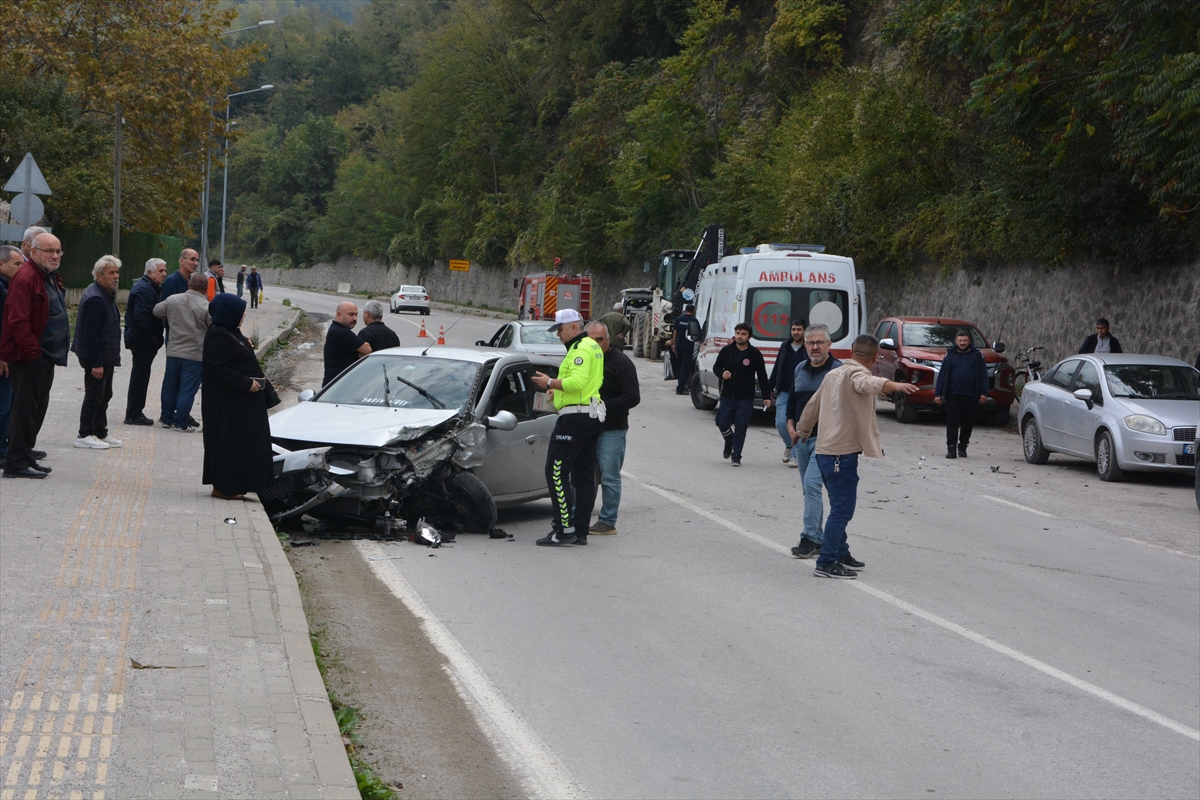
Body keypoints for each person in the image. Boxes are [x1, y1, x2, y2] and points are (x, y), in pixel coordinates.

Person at [798, 335, 918, 578]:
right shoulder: (855, 375)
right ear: (875, 357)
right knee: (842, 510)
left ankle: (841, 551)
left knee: (837, 507)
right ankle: (826, 561)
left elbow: (813, 405)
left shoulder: (832, 374)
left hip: (825, 452)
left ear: (852, 350)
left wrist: (802, 430)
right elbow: (867, 383)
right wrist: (893, 385)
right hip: (840, 454)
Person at [531, 308, 605, 546]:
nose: (558, 335)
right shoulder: (594, 346)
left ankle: (563, 529)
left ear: (574, 327)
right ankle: (580, 531)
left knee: (556, 472)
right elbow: (588, 384)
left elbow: (578, 382)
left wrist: (549, 382)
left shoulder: (580, 349)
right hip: (590, 416)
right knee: (583, 477)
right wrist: (558, 390)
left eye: (560, 329)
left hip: (575, 419)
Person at [1, 232, 69, 478]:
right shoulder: (26, 277)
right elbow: (18, 321)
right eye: (49, 251)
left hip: (45, 356)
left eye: (58, 251)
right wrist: (32, 353)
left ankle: (26, 455)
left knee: (37, 409)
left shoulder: (47, 276)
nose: (55, 255)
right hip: (31, 357)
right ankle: (15, 463)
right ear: (34, 252)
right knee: (24, 410)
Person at [202, 294, 274, 500]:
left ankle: (238, 485)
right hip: (227, 404)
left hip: (239, 403)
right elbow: (217, 367)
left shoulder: (229, 331)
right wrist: (245, 383)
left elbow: (234, 354)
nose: (242, 316)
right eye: (239, 312)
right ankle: (224, 488)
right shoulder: (217, 334)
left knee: (241, 445)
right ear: (228, 312)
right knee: (228, 445)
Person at [786, 323, 841, 559]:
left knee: (811, 485)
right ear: (805, 345)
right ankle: (817, 539)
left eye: (820, 342)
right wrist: (790, 424)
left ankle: (808, 538)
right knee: (809, 491)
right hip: (802, 440)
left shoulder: (837, 371)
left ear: (829, 345)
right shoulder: (800, 368)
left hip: (826, 442)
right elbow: (792, 400)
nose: (815, 347)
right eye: (811, 342)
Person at [586, 321, 640, 535]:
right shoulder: (584, 361)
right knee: (584, 476)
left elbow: (632, 397)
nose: (596, 344)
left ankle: (607, 521)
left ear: (609, 340)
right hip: (587, 429)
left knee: (609, 477)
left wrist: (603, 407)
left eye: (600, 339)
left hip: (612, 430)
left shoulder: (621, 363)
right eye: (591, 340)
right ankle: (578, 516)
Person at [70, 255, 124, 450]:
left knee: (104, 393)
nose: (116, 276)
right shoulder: (96, 298)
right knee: (94, 395)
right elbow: (90, 335)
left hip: (104, 354)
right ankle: (84, 434)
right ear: (100, 276)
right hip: (97, 356)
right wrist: (97, 363)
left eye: (117, 272)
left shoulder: (105, 294)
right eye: (111, 273)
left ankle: (100, 432)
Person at [154, 272, 210, 432]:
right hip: (195, 355)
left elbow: (156, 311)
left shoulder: (173, 300)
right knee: (187, 390)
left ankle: (166, 419)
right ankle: (180, 423)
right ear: (206, 288)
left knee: (169, 387)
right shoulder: (206, 306)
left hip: (173, 351)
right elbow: (213, 325)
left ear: (188, 284)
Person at [713, 322, 772, 466]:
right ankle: (729, 441)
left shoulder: (754, 354)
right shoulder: (727, 350)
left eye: (743, 334)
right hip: (727, 395)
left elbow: (762, 376)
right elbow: (716, 367)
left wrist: (766, 397)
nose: (740, 336)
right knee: (721, 423)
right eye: (738, 333)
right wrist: (722, 374)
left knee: (741, 426)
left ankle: (736, 456)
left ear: (749, 336)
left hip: (745, 397)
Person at [123, 258, 167, 425]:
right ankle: (133, 413)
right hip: (142, 340)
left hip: (144, 338)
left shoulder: (150, 288)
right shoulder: (144, 290)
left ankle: (135, 411)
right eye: (160, 271)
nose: (164, 274)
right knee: (140, 375)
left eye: (164, 270)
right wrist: (154, 337)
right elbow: (142, 318)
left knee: (142, 374)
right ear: (149, 272)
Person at [934, 329, 988, 458]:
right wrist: (938, 393)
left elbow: (983, 375)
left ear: (969, 341)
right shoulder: (950, 355)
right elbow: (942, 375)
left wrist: (984, 393)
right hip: (953, 395)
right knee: (952, 422)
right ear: (956, 341)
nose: (962, 343)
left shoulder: (977, 355)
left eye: (965, 340)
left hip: (971, 395)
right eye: (960, 341)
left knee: (967, 423)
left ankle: (963, 446)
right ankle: (951, 448)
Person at [0, 244, 27, 465]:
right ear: (1, 264)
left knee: (8, 405)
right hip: (3, 358)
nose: (21, 268)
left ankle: (5, 446)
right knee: (3, 406)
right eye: (17, 264)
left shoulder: (8, 286)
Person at [769, 319, 808, 467]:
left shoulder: (808, 347)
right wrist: (769, 388)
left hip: (801, 392)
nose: (796, 332)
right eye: (793, 329)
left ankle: (795, 455)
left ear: (804, 331)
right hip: (784, 391)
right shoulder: (785, 346)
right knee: (780, 423)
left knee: (799, 424)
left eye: (799, 329)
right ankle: (790, 445)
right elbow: (777, 367)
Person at [323, 302, 371, 386]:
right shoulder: (341, 332)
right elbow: (367, 350)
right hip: (337, 384)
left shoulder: (335, 329)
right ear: (339, 315)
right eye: (351, 314)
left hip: (335, 382)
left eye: (356, 315)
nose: (355, 318)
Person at [672, 303, 699, 395]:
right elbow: (697, 335)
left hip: (679, 346)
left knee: (679, 367)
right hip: (688, 346)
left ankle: (680, 385)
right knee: (685, 367)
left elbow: (675, 333)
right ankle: (681, 388)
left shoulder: (679, 319)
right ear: (693, 311)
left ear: (685, 310)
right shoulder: (694, 320)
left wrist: (674, 344)